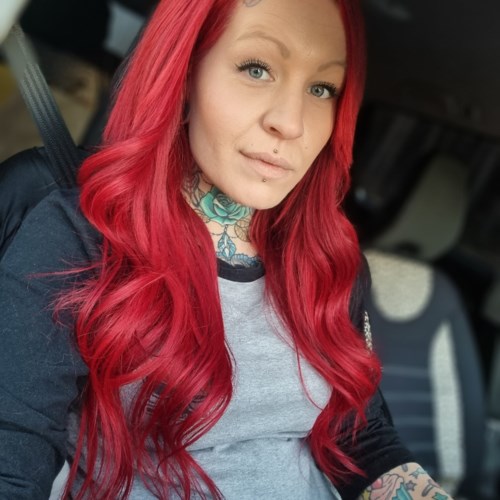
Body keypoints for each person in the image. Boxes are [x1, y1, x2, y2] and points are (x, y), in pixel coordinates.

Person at [0, 0, 454, 498]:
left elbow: (358, 435)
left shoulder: (327, 255)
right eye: (256, 69)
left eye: (322, 88)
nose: (291, 123)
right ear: (184, 72)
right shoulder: (80, 235)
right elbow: (14, 455)